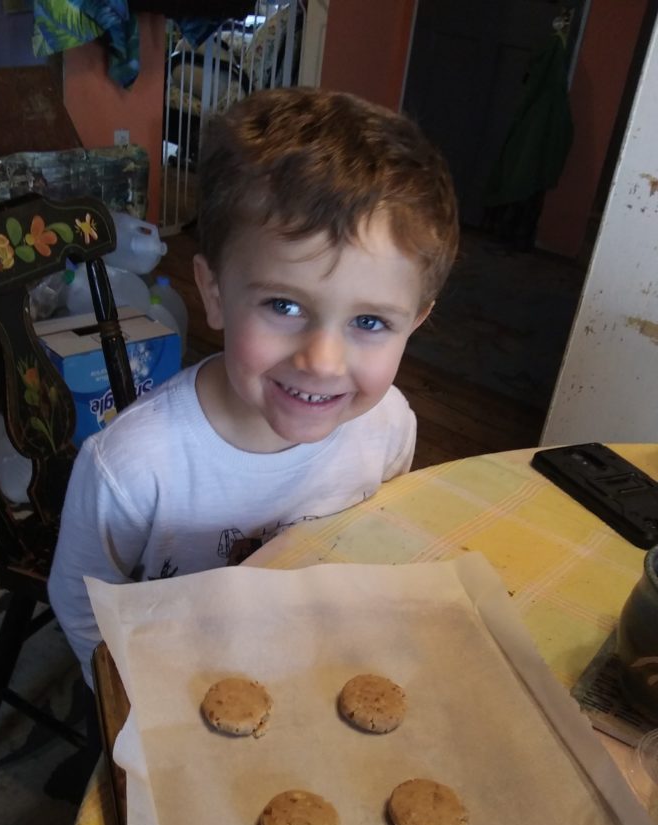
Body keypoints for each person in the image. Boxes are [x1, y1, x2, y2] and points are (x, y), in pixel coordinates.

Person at [48, 86, 459, 685]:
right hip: (179, 677)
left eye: (370, 322)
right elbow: (83, 603)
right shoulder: (132, 469)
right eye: (284, 306)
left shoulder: (388, 425)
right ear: (214, 293)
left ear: (414, 323)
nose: (322, 362)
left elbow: (368, 545)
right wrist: (131, 704)